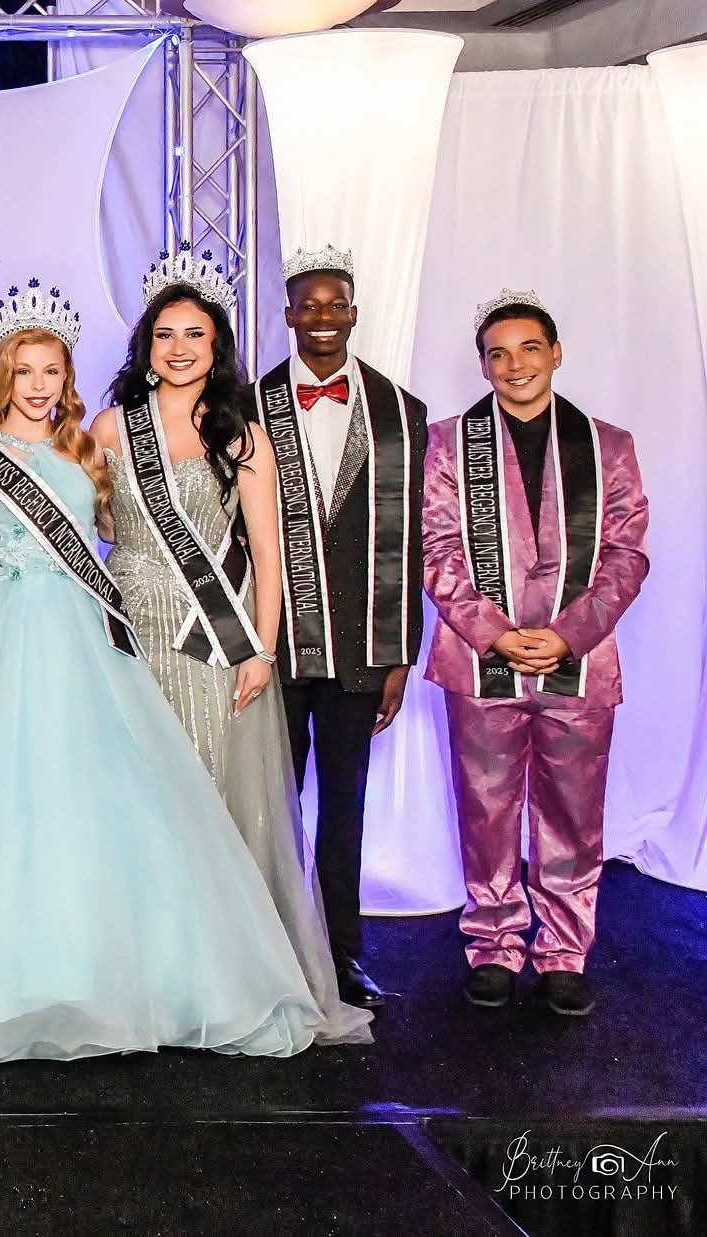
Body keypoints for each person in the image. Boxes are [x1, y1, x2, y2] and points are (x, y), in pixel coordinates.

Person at [0, 285, 333, 1062]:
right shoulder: (27, 445)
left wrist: (262, 646)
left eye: (50, 371)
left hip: (106, 631)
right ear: (3, 377)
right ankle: (16, 971)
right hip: (17, 631)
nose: (36, 384)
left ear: (66, 376)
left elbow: (137, 527)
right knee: (14, 802)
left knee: (127, 797)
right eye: (22, 370)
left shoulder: (81, 447)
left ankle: (157, 966)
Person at [92, 249, 372, 1044]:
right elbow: (103, 525)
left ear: (218, 348)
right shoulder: (112, 427)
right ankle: (147, 971)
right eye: (165, 334)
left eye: (197, 335)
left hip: (216, 641)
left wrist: (264, 649)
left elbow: (271, 549)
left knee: (214, 802)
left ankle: (220, 972)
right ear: (146, 343)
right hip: (136, 631)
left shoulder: (242, 432)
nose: (179, 348)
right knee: (141, 800)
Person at [421, 291, 648, 1017]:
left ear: (556, 353)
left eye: (528, 348)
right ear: (482, 365)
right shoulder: (448, 444)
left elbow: (626, 554)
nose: (514, 364)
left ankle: (563, 950)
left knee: (574, 815)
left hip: (578, 664)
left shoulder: (608, 444)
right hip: (478, 659)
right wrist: (490, 629)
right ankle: (491, 942)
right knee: (485, 810)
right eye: (497, 352)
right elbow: (436, 549)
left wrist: (569, 633)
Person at [253, 247, 427, 1010]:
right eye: (308, 305)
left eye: (337, 304)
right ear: (287, 314)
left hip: (361, 648)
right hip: (278, 647)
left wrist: (400, 655)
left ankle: (345, 953)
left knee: (347, 806)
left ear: (355, 311)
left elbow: (412, 538)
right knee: (270, 801)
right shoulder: (247, 406)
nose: (322, 317)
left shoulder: (402, 411)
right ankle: (269, 948)